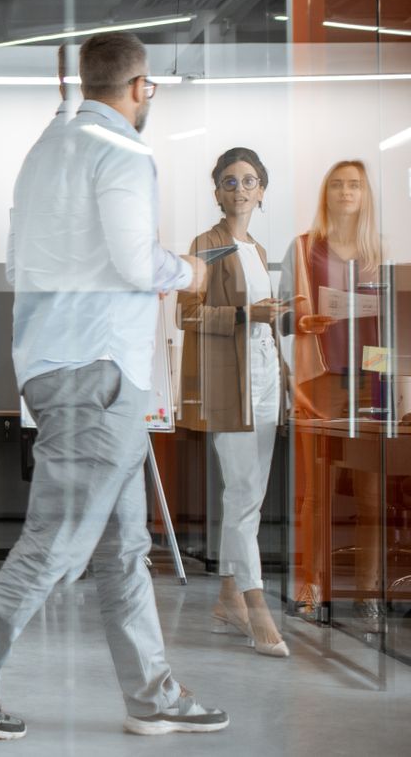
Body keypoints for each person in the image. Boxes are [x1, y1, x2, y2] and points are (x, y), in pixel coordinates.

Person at [0, 32, 227, 739]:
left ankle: (152, 694)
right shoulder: (124, 152)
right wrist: (188, 273)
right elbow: (137, 263)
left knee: (125, 546)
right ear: (141, 88)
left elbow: (17, 260)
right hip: (99, 370)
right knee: (59, 541)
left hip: (55, 362)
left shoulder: (44, 151)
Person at [177, 148, 289, 656]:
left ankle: (227, 598)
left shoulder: (260, 251)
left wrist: (280, 321)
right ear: (217, 191)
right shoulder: (207, 245)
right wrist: (248, 313)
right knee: (243, 495)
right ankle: (255, 601)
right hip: (231, 386)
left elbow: (263, 321)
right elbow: (189, 315)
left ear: (262, 190)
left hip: (267, 380)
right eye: (229, 181)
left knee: (247, 495)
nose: (240, 189)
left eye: (249, 181)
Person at [283, 160, 385, 630]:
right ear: (326, 193)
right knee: (316, 493)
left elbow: (390, 325)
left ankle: (368, 591)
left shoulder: (377, 252)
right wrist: (302, 322)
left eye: (354, 186)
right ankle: (312, 586)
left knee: (370, 495)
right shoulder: (305, 248)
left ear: (364, 196)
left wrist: (388, 384)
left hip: (369, 381)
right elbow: (283, 315)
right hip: (321, 380)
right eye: (338, 185)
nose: (346, 193)